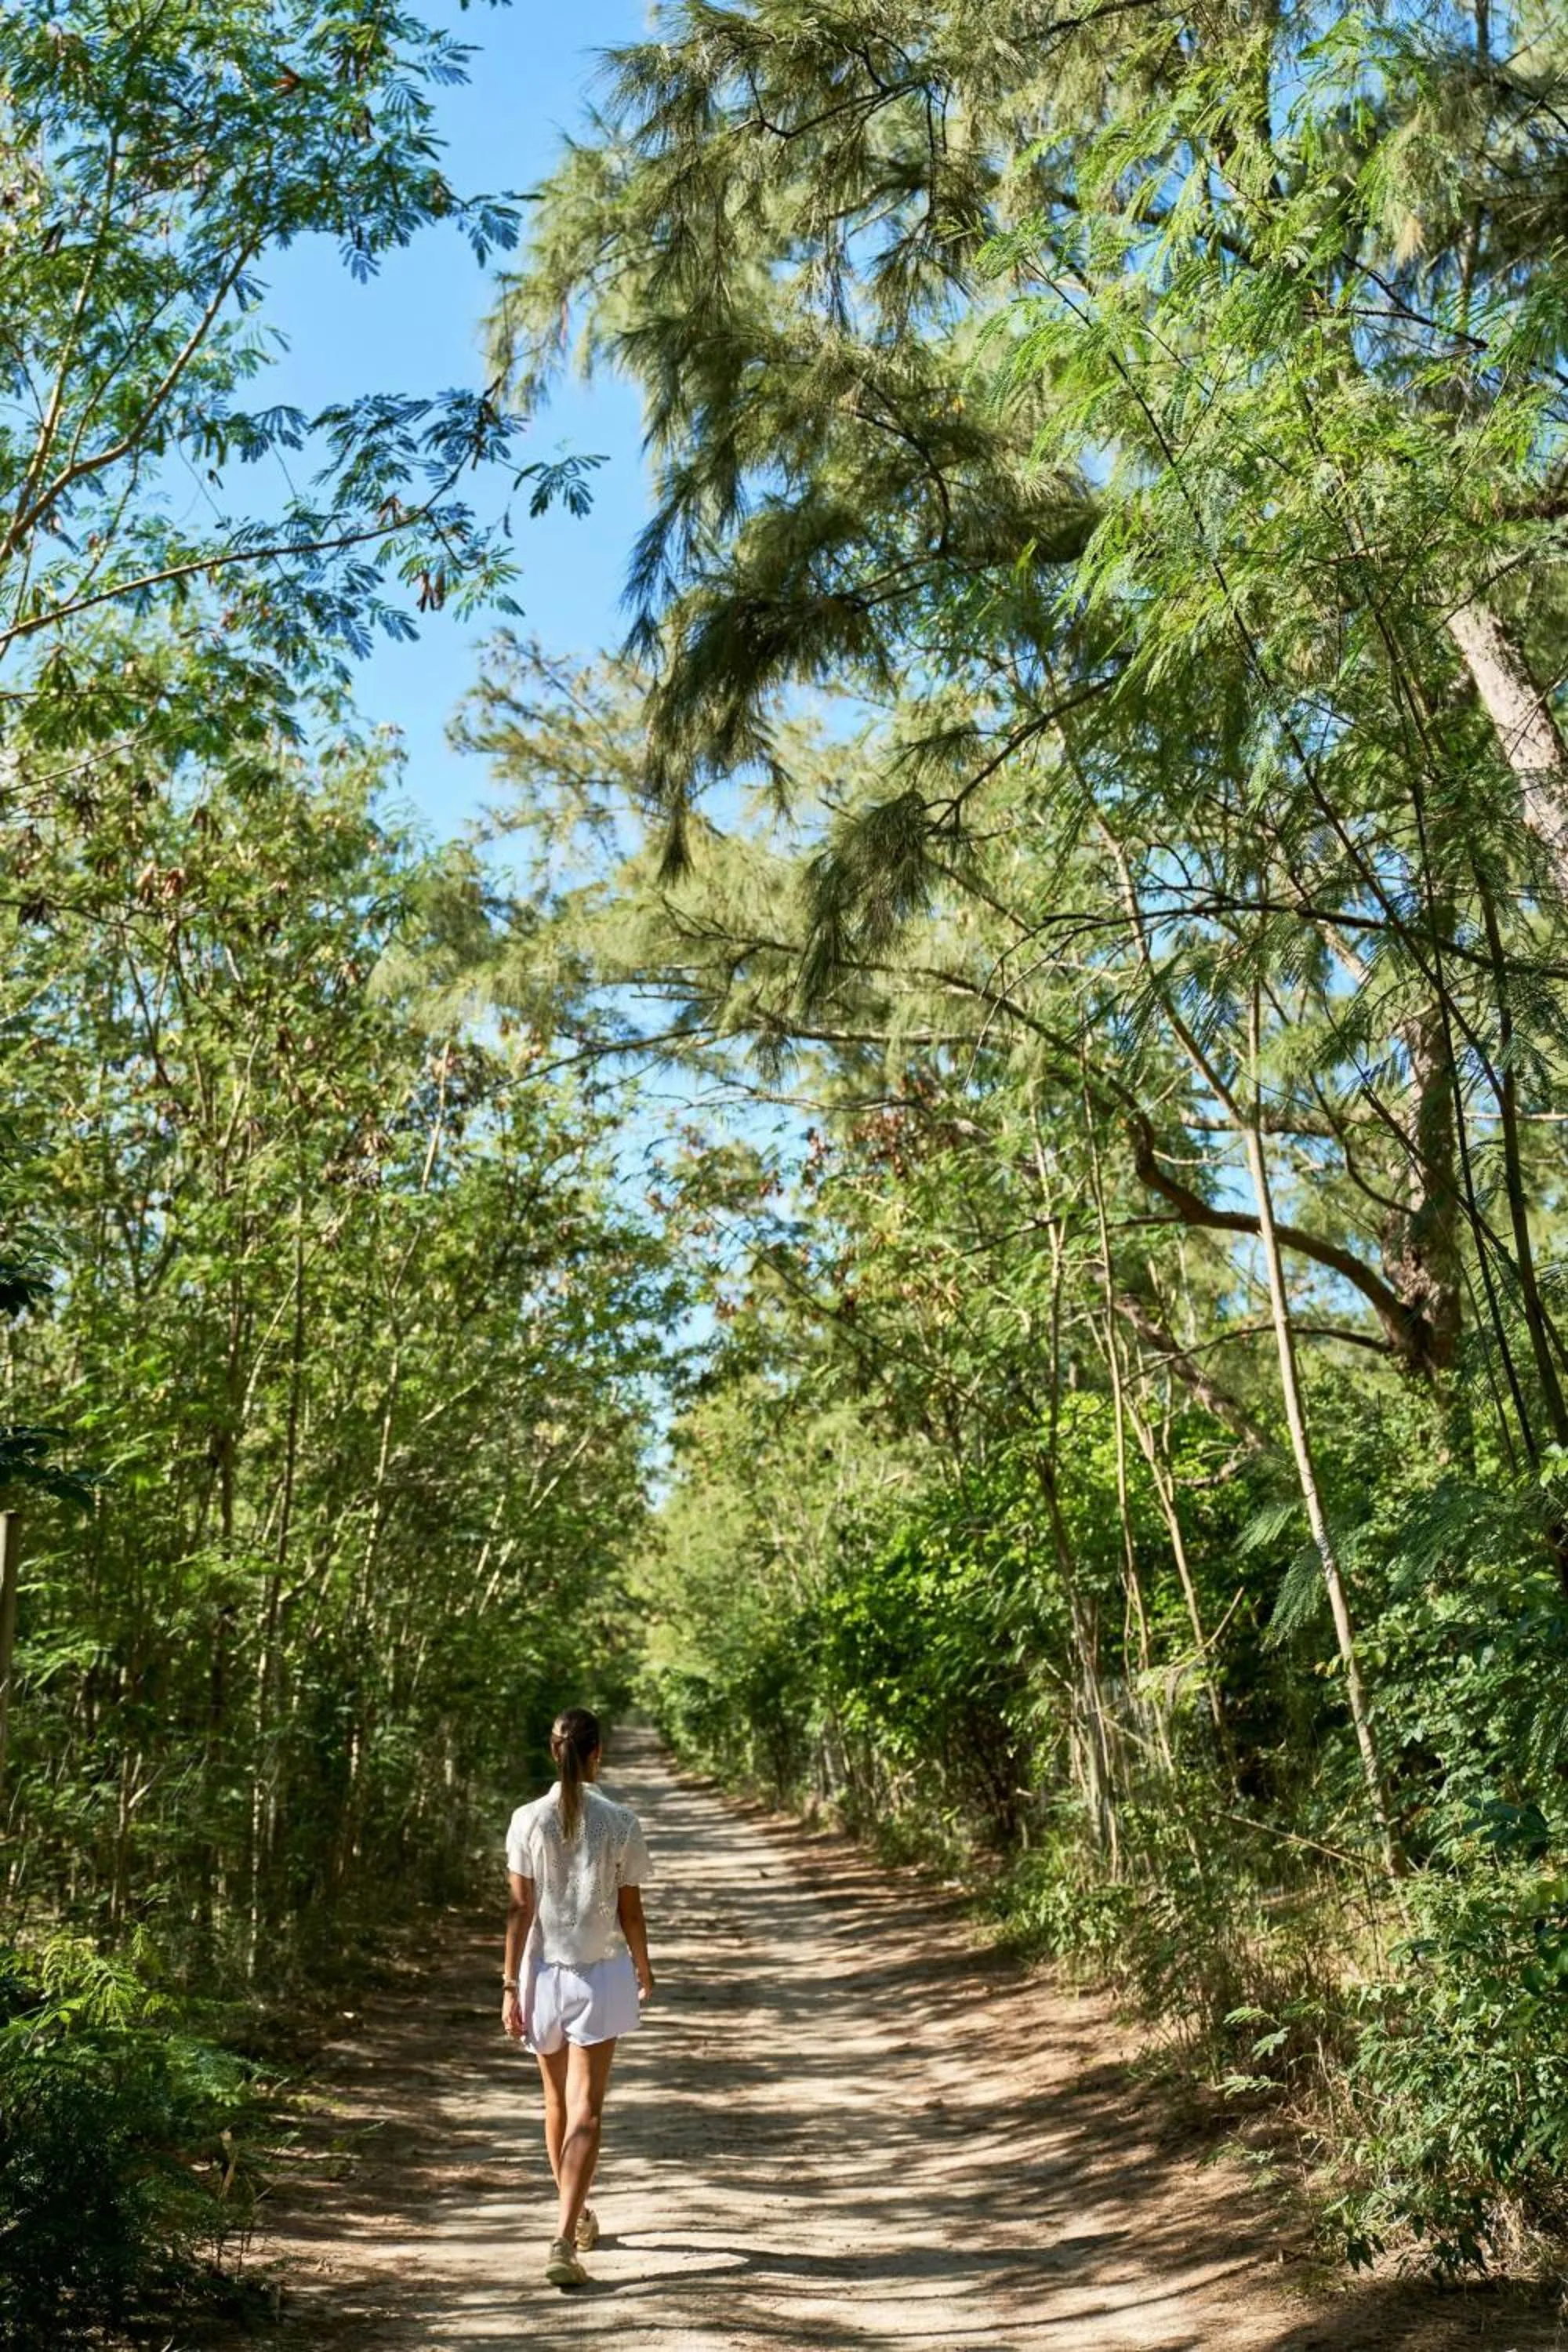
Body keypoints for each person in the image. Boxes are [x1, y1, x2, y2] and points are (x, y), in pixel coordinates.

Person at [502, 1707, 655, 2288]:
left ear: (553, 1751)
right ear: (598, 1753)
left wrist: (510, 1983)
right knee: (586, 2107)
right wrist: (644, 1968)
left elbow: (520, 1909)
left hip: (542, 1974)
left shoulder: (526, 1820)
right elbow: (630, 1910)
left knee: (556, 2107)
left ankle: (575, 2217)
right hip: (599, 1974)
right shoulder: (620, 1821)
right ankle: (566, 2234)